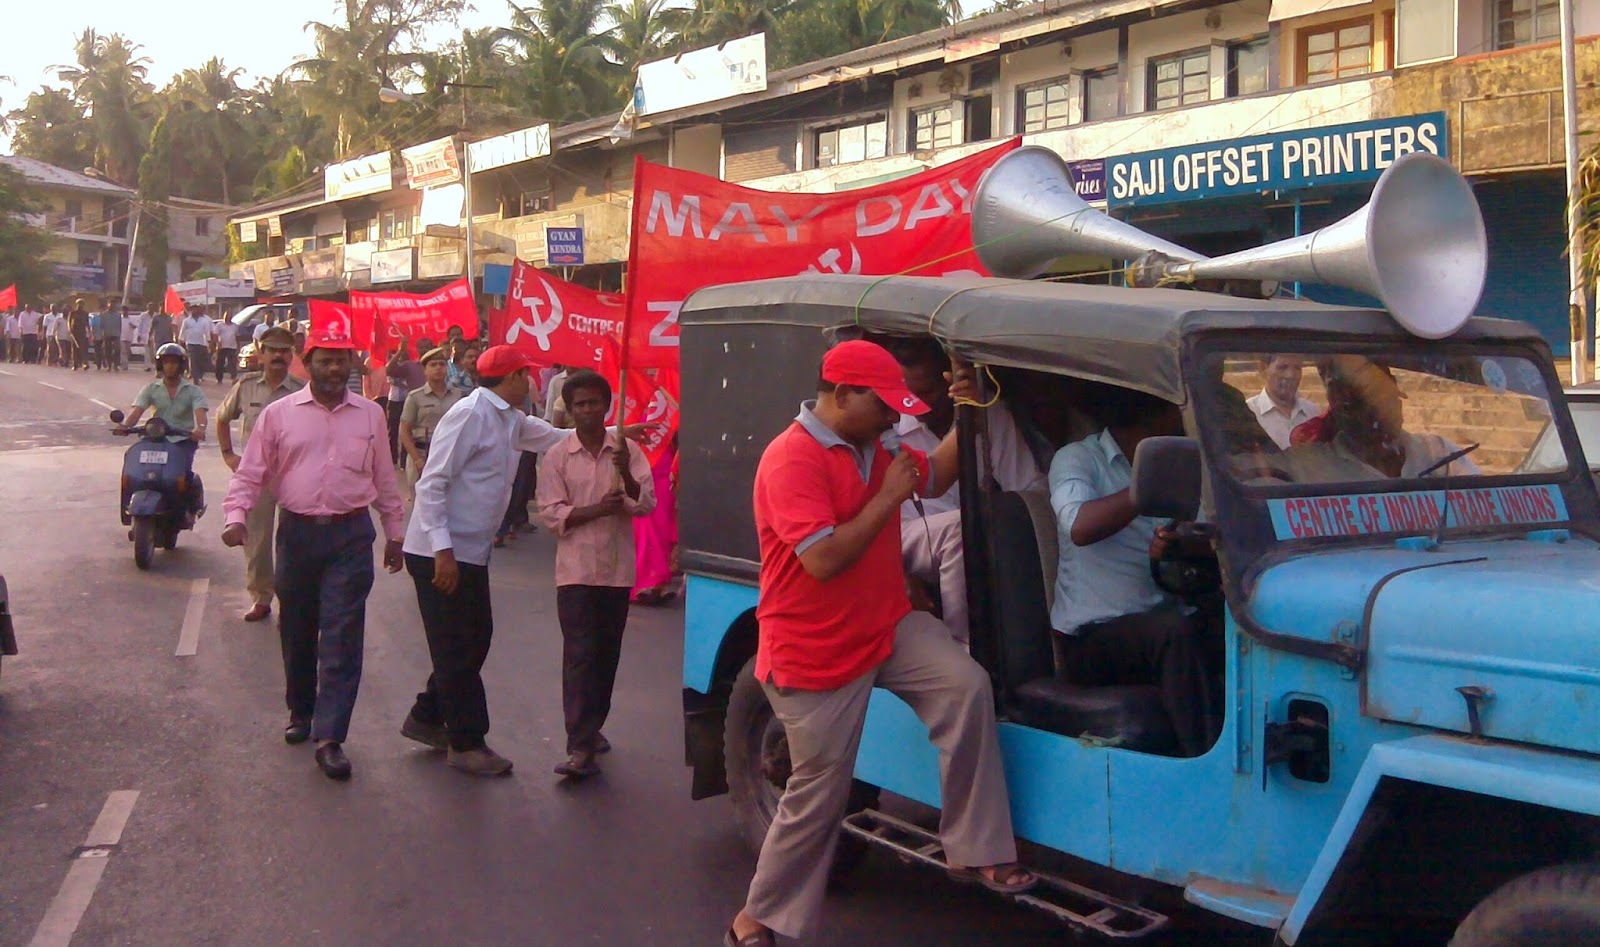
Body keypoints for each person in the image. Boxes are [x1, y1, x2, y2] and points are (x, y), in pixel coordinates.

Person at [725, 341, 1033, 947]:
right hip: (815, 648)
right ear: (843, 396)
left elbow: (935, 473)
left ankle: (976, 848)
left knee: (967, 687)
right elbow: (823, 560)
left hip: (886, 623)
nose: (895, 417)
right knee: (818, 794)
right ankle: (753, 920)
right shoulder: (790, 458)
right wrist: (889, 495)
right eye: (884, 405)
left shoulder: (879, 443)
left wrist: (969, 409)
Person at [220, 325, 406, 781]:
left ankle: (330, 736)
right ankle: (300, 710)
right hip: (298, 534)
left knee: (342, 633)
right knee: (297, 629)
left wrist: (395, 533)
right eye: (325, 360)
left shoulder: (371, 416)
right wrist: (236, 516)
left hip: (350, 536)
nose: (334, 368)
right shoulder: (279, 415)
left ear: (351, 364)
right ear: (309, 364)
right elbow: (251, 472)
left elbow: (385, 479)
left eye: (342, 359)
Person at [400, 345, 578, 776]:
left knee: (474, 639)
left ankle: (427, 715)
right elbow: (432, 483)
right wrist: (442, 549)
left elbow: (556, 438)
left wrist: (616, 433)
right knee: (457, 645)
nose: (531, 382)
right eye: (526, 375)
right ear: (512, 377)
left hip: (470, 552)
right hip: (439, 551)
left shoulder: (510, 418)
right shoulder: (469, 415)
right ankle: (466, 742)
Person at [1047, 387, 1217, 758]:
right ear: (1150, 420)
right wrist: (1144, 489)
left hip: (1166, 610)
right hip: (1094, 636)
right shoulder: (1078, 459)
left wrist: (1181, 544)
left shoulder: (1183, 463)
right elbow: (1079, 526)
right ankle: (1202, 760)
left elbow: (1209, 531)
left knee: (1237, 620)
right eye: (1175, 410)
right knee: (1173, 633)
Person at [536, 369, 657, 779]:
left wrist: (627, 476)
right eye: (580, 404)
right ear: (570, 410)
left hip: (616, 571)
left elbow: (646, 505)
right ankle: (579, 744)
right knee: (579, 656)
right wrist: (599, 510)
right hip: (574, 572)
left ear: (607, 406)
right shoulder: (558, 456)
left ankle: (592, 726)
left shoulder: (627, 451)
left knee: (606, 657)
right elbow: (552, 514)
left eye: (594, 403)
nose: (588, 410)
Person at [888, 340, 1045, 645]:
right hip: (904, 536)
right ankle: (964, 646)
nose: (918, 405)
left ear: (950, 380)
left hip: (979, 541)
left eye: (927, 393)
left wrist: (1001, 519)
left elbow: (1030, 489)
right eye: (909, 395)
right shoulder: (890, 421)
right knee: (961, 530)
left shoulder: (985, 410)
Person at [216, 327, 305, 623]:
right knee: (257, 540)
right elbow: (222, 418)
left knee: (295, 540)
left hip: (294, 475)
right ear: (261, 354)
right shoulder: (247, 386)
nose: (278, 356)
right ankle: (261, 597)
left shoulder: (302, 389)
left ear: (291, 355)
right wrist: (228, 454)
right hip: (258, 476)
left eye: (283, 351)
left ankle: (292, 599)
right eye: (272, 350)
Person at [1280, 356, 1481, 481]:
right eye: (1359, 401)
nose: (1379, 414)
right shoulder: (1311, 465)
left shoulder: (1438, 453)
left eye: (1385, 397)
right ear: (1338, 406)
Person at [114, 343, 209, 517]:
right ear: (160, 365)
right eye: (166, 362)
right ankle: (128, 505)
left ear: (181, 365)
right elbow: (137, 412)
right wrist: (125, 426)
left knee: (184, 473)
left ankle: (189, 509)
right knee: (133, 464)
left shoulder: (192, 390)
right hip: (154, 439)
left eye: (174, 362)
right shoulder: (151, 389)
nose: (170, 366)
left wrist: (199, 429)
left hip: (182, 440)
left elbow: (200, 414)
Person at [399, 348, 463, 489]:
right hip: (423, 454)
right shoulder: (415, 397)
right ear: (425, 370)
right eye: (433, 365)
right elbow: (404, 431)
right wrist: (417, 460)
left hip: (451, 455)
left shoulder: (458, 396)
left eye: (442, 364)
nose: (438, 368)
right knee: (420, 499)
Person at [1247, 355, 1319, 451]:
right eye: (1282, 367)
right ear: (1263, 369)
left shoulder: (1312, 412)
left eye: (1297, 368)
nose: (1291, 375)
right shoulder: (1249, 413)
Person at [384, 343, 424, 465]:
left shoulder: (439, 366)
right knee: (398, 431)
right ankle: (395, 460)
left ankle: (404, 461)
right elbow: (389, 371)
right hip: (399, 401)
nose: (425, 349)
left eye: (428, 346)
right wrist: (400, 351)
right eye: (422, 346)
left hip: (424, 409)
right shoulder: (410, 366)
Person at [179, 306, 215, 382]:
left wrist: (209, 342)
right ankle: (195, 378)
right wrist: (180, 341)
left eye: (196, 309)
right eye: (193, 310)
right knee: (193, 361)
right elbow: (182, 332)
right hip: (191, 343)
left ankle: (200, 375)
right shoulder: (186, 321)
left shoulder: (204, 321)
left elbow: (207, 332)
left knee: (201, 361)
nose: (194, 311)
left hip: (202, 343)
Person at [213, 313, 240, 383]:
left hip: (232, 347)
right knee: (220, 363)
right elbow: (215, 335)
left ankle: (233, 377)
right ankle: (219, 378)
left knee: (232, 363)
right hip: (222, 347)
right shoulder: (219, 325)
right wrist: (217, 343)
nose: (227, 318)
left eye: (229, 317)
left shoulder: (235, 326)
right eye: (226, 317)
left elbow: (237, 337)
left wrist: (238, 347)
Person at [97, 303, 121, 372]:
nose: (111, 307)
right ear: (108, 306)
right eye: (110, 306)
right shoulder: (104, 315)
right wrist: (102, 334)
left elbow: (120, 325)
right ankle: (109, 365)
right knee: (107, 351)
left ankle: (115, 366)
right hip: (107, 335)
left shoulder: (118, 315)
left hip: (116, 335)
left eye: (113, 306)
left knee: (117, 350)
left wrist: (119, 334)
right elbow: (101, 326)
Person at [67, 299, 90, 371]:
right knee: (74, 349)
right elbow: (69, 322)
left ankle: (84, 363)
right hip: (74, 333)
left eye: (82, 304)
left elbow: (87, 324)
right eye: (79, 303)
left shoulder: (85, 313)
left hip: (82, 333)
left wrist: (89, 332)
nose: (80, 305)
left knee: (83, 349)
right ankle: (75, 364)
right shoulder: (72, 313)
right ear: (77, 304)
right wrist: (70, 330)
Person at [120, 305, 143, 371]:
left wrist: (131, 325)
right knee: (123, 351)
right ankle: (124, 365)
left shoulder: (131, 319)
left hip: (129, 337)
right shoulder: (120, 319)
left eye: (126, 311)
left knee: (127, 352)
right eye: (124, 311)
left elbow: (135, 326)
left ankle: (125, 362)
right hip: (121, 337)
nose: (125, 312)